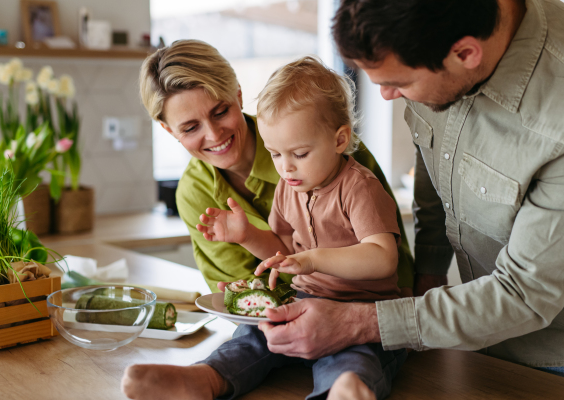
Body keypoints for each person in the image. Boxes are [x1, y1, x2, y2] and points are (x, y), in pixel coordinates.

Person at [257, 0, 564, 387]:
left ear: (465, 54)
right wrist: (428, 274)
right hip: (465, 337)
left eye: (398, 83)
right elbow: (437, 180)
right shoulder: (427, 50)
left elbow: (524, 293)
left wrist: (356, 322)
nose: (385, 97)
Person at [123, 56, 408, 400]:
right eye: (275, 155)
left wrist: (312, 260)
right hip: (302, 300)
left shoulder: (357, 185)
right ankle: (206, 378)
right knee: (250, 341)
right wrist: (247, 236)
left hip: (362, 309)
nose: (285, 168)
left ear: (340, 140)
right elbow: (285, 253)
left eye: (298, 153)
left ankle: (344, 389)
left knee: (352, 358)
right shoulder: (292, 185)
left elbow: (384, 259)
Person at [137, 39, 414, 295]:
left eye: (220, 111)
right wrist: (246, 276)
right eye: (190, 127)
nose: (214, 135)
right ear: (168, 130)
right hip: (294, 312)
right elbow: (273, 263)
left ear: (238, 95)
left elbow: (389, 257)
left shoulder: (326, 142)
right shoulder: (194, 193)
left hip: (371, 308)